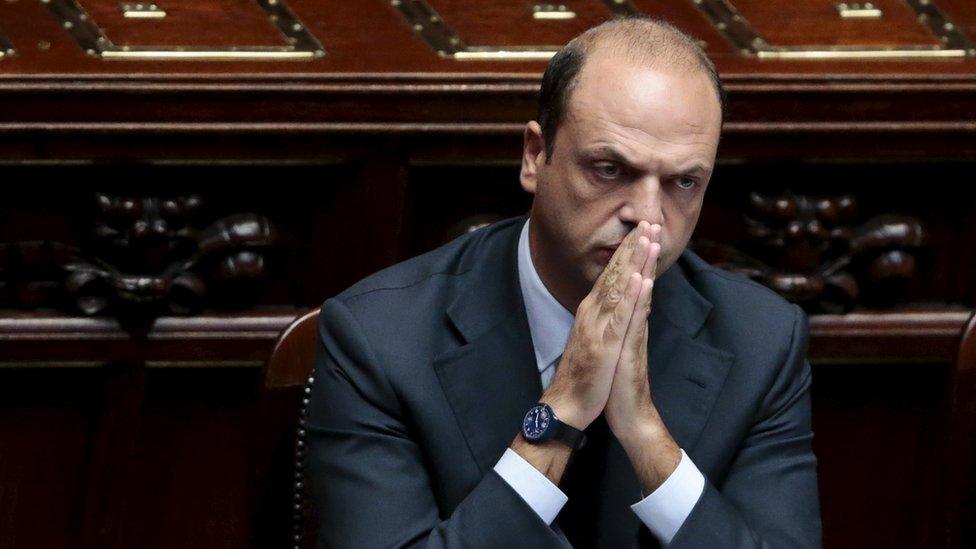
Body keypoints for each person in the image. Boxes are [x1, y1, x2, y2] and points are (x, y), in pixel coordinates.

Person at [306, 16, 821, 548]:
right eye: (609, 169)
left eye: (683, 182)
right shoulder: (380, 337)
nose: (648, 216)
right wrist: (563, 409)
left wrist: (647, 437)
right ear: (536, 156)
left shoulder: (762, 340)